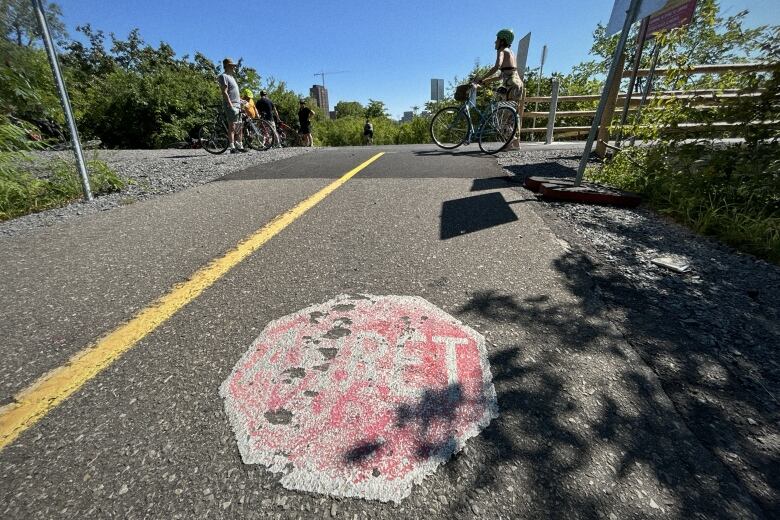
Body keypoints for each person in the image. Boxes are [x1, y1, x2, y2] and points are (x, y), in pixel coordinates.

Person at [475, 29, 523, 149]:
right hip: (517, 83)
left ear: (502, 41)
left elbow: (497, 67)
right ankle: (515, 143)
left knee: (504, 114)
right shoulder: (511, 53)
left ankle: (510, 142)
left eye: (497, 39)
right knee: (512, 115)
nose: (494, 42)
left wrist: (482, 77)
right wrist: (485, 81)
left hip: (510, 85)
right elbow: (502, 75)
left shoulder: (502, 51)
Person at [218, 58, 246, 153]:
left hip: (237, 105)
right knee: (232, 126)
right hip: (231, 105)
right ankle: (232, 147)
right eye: (232, 65)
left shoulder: (232, 78)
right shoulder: (223, 76)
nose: (234, 67)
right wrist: (230, 105)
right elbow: (224, 92)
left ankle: (240, 145)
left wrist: (241, 101)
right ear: (227, 66)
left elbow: (234, 93)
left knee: (239, 126)